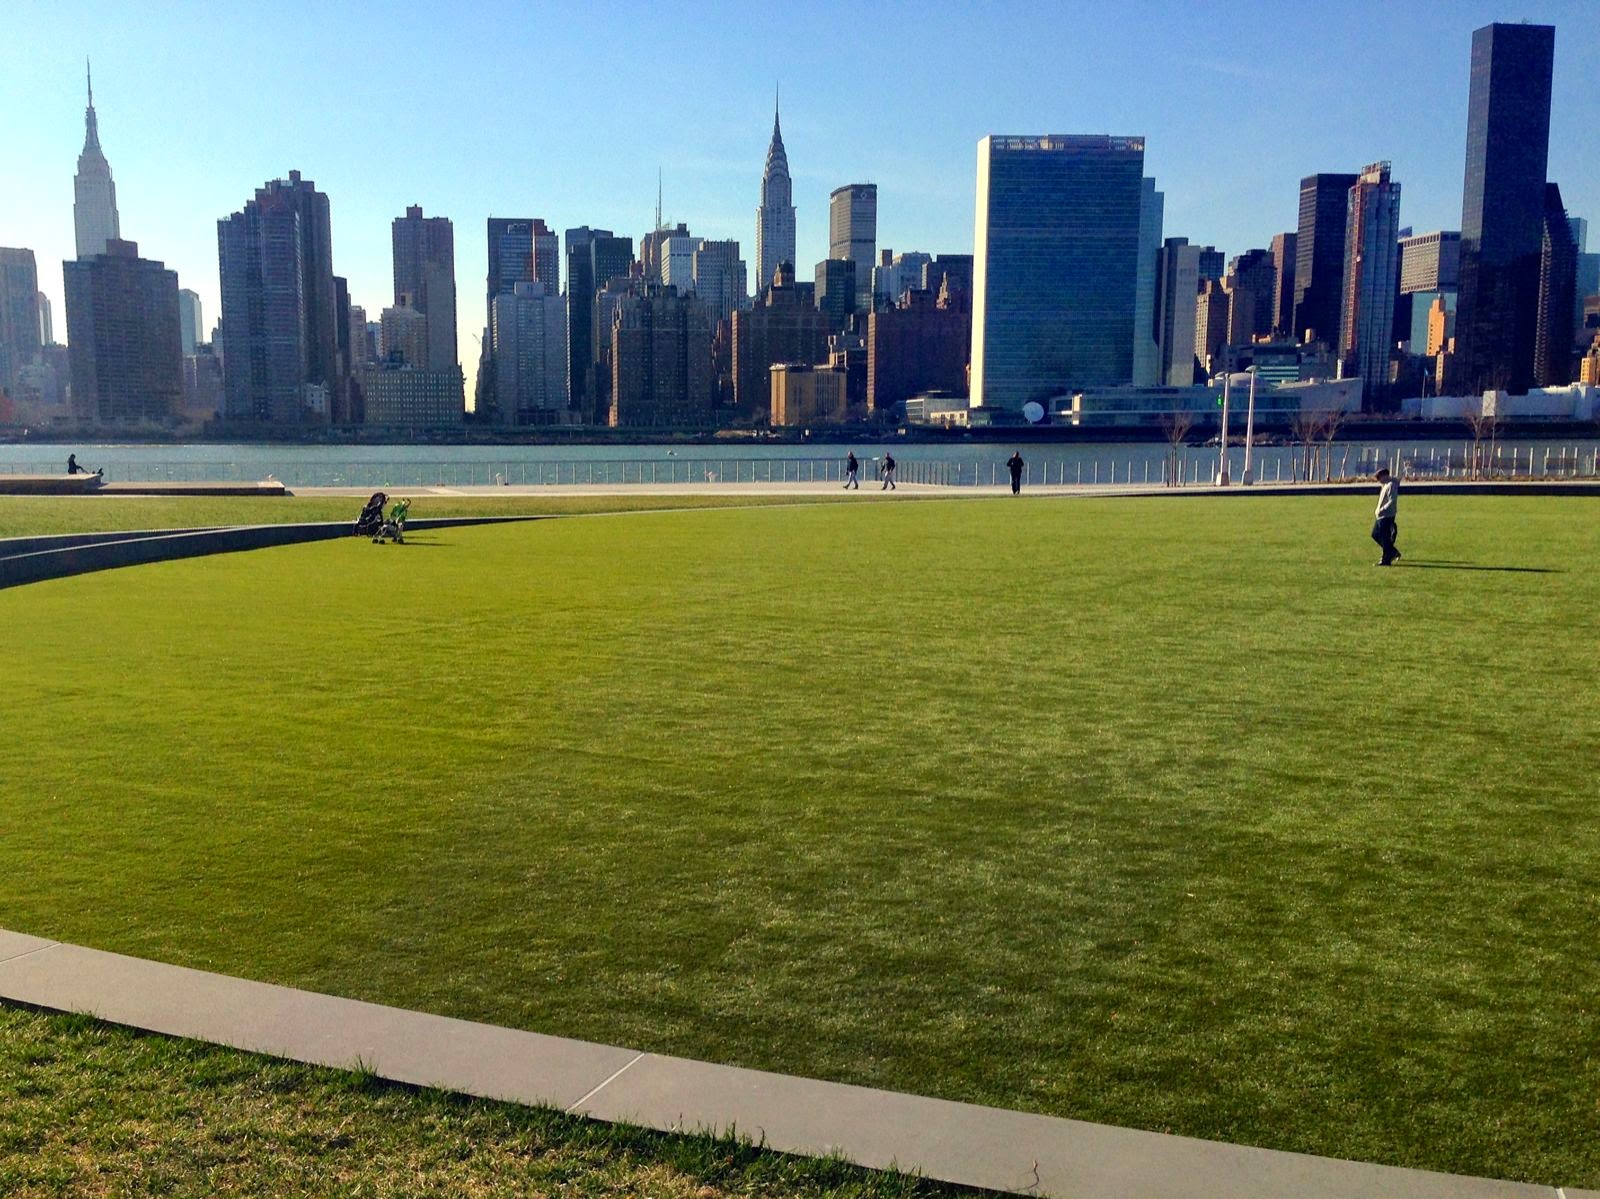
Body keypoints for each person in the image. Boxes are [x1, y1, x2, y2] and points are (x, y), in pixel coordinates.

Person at [1371, 466, 1401, 566]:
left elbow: (1392, 501)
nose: (1378, 480)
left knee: (1384, 537)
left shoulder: (1391, 485)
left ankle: (1386, 559)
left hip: (1386, 515)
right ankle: (1392, 552)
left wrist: (1382, 509)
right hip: (1381, 515)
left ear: (1384, 476)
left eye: (1379, 478)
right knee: (1375, 534)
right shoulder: (1385, 485)